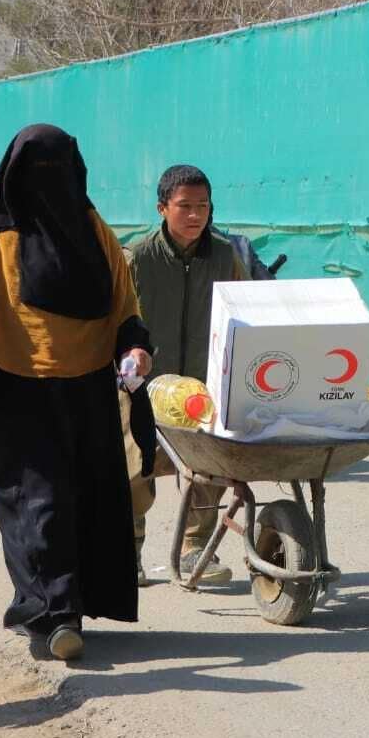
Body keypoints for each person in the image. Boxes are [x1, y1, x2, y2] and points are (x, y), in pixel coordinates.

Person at [0, 124, 153, 663]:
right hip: (21, 388)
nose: (50, 182)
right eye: (39, 171)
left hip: (88, 385)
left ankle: (74, 605)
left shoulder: (92, 229)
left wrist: (134, 343)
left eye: (59, 169)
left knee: (90, 497)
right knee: (39, 502)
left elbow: (123, 299)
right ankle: (49, 614)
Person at [123, 165, 250, 586]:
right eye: (184, 207)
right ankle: (129, 551)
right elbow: (116, 317)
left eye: (203, 206)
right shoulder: (136, 257)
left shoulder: (224, 255)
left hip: (202, 385)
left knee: (206, 469)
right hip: (143, 385)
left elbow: (244, 310)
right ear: (162, 208)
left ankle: (196, 548)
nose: (195, 215)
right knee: (134, 471)